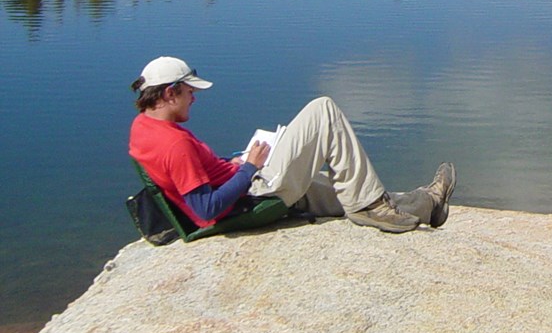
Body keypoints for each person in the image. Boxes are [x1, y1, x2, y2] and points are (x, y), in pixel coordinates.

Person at [128, 56, 455, 234]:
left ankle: (428, 202)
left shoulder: (144, 127)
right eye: (188, 92)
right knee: (324, 110)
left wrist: (238, 163)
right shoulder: (173, 145)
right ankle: (372, 207)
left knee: (348, 192)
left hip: (247, 181)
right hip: (254, 193)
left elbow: (195, 180)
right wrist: (250, 168)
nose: (194, 98)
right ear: (169, 93)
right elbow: (206, 209)